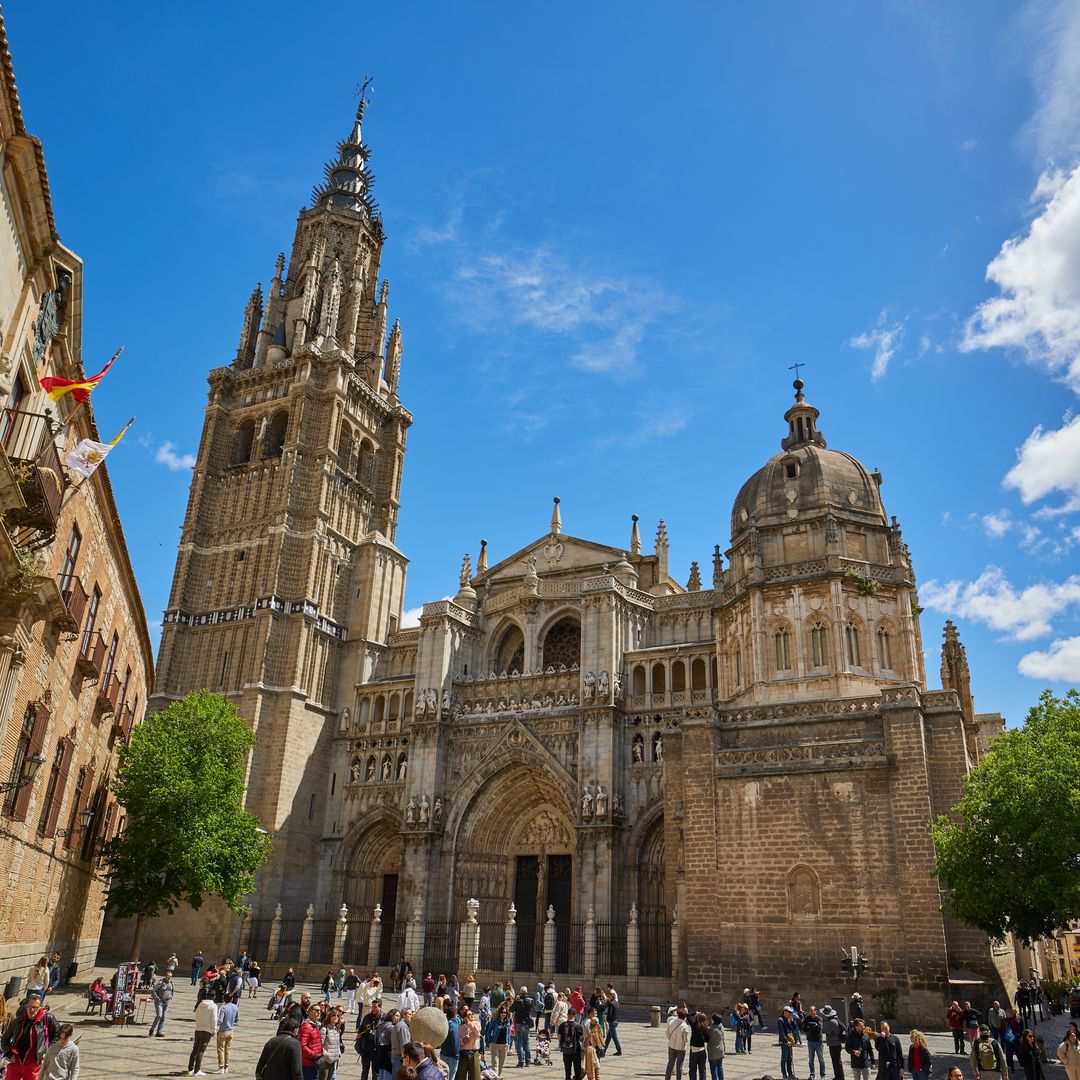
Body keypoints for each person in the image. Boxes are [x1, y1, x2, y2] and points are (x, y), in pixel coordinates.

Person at [3, 991, 58, 1080]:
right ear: (26, 1007)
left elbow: (58, 1035)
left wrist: (47, 1051)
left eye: (35, 1007)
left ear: (40, 1008)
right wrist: (9, 1054)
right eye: (30, 1007)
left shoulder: (48, 1019)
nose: (32, 1010)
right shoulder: (17, 1022)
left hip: (33, 1064)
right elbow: (4, 1039)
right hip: (15, 1062)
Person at [190, 988, 218, 1076]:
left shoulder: (200, 1004)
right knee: (201, 1050)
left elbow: (197, 1016)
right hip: (207, 1030)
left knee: (195, 1049)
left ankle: (190, 1068)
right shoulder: (213, 1006)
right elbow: (214, 1019)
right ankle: (197, 1070)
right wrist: (214, 1030)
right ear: (214, 997)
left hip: (198, 1028)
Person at [357, 1000, 383, 1080]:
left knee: (375, 1072)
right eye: (372, 1006)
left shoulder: (384, 1018)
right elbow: (361, 1029)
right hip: (366, 1049)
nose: (373, 1009)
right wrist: (360, 1034)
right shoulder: (367, 1017)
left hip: (377, 1050)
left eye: (375, 1007)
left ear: (380, 1007)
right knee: (365, 1071)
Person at [300, 1003, 325, 1080]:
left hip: (315, 1062)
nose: (319, 1012)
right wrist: (314, 1055)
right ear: (309, 1012)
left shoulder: (315, 1025)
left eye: (320, 1011)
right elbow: (302, 1046)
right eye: (316, 1010)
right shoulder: (306, 1026)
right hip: (308, 1064)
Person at [217, 992, 239, 1075]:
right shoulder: (235, 1007)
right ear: (232, 999)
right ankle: (226, 1067)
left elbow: (220, 1021)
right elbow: (237, 1019)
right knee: (227, 1050)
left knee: (220, 1049)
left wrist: (214, 1020)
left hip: (223, 1031)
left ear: (224, 999)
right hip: (231, 1031)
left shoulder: (223, 1008)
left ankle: (221, 1067)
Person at [821, 1005, 845, 1080]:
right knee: (837, 1061)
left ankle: (840, 1077)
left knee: (836, 1062)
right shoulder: (835, 1020)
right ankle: (838, 1076)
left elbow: (825, 1030)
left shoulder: (831, 1022)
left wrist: (824, 1022)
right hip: (836, 1043)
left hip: (834, 1044)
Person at [666, 1007, 691, 1080]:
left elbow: (667, 1033)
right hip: (680, 1048)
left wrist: (671, 1040)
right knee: (679, 1066)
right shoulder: (685, 1026)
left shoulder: (672, 1022)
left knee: (670, 1065)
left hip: (671, 1046)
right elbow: (686, 1039)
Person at [320, 1006, 345, 1080]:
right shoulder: (324, 1029)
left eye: (338, 1016)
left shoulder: (337, 1029)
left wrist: (338, 1053)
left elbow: (338, 1044)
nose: (336, 1017)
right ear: (330, 1017)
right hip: (325, 1060)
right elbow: (319, 1045)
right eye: (334, 1015)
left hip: (334, 1059)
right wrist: (326, 1055)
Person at [557, 1009, 583, 1080]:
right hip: (575, 1050)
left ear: (567, 1015)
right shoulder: (578, 1026)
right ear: (575, 1015)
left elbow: (559, 1037)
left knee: (567, 1070)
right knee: (577, 1070)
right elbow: (581, 1039)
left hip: (565, 1049)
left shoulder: (562, 1025)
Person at [458, 1006, 482, 1080]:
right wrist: (462, 1041)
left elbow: (477, 1032)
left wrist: (469, 1024)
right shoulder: (461, 1027)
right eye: (469, 1014)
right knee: (460, 1076)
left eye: (472, 1014)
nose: (472, 1015)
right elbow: (458, 1039)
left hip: (474, 1053)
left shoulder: (477, 1023)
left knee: (475, 1076)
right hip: (464, 1053)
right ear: (465, 1017)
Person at [148, 971, 174, 1037]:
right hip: (159, 1002)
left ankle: (159, 1032)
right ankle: (152, 1029)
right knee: (159, 1015)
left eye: (171, 976)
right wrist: (157, 998)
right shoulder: (161, 982)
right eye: (169, 976)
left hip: (166, 1002)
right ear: (165, 976)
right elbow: (153, 990)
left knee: (163, 1017)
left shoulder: (171, 983)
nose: (170, 978)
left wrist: (171, 996)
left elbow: (172, 990)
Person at [486, 1003, 510, 1074]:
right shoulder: (494, 1021)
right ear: (499, 1013)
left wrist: (508, 1041)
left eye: (505, 1012)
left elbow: (509, 1032)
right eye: (502, 1012)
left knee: (501, 1064)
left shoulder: (508, 1021)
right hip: (495, 1045)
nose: (503, 1014)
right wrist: (490, 1041)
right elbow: (488, 1032)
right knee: (495, 1063)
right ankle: (495, 1077)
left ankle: (498, 1076)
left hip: (504, 1045)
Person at [513, 987, 534, 1067]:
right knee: (527, 1041)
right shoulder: (530, 1000)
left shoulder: (518, 1001)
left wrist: (516, 1000)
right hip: (527, 1023)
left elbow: (511, 1009)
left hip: (519, 1022)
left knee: (519, 1042)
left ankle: (521, 1061)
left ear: (520, 992)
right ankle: (528, 1060)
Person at [805, 1005, 825, 1080]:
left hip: (818, 1042)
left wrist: (811, 1026)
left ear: (815, 1011)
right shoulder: (807, 1018)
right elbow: (804, 1027)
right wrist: (813, 1025)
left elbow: (820, 1028)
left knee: (821, 1059)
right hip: (810, 1041)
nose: (811, 1012)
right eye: (810, 1010)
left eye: (812, 1010)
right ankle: (812, 1074)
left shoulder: (819, 1018)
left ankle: (822, 1075)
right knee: (811, 1060)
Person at [778, 1006, 798, 1080]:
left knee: (790, 1058)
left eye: (791, 1012)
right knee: (784, 1059)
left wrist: (792, 1021)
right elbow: (781, 1033)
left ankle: (790, 1074)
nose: (790, 1014)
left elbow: (794, 1028)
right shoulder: (780, 1020)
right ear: (785, 1011)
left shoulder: (789, 1019)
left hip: (790, 1041)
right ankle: (784, 1074)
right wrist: (786, 1041)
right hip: (784, 1042)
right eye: (789, 1012)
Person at [707, 1013, 726, 1080]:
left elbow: (707, 1039)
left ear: (714, 1020)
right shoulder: (721, 1027)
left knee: (714, 1069)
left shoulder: (711, 1030)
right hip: (720, 1050)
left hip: (713, 1051)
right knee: (720, 1067)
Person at [602, 990, 620, 1057]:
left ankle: (619, 1050)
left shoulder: (611, 1004)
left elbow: (609, 1013)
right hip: (616, 1020)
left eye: (609, 996)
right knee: (608, 1037)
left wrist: (607, 1020)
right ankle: (604, 1050)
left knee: (614, 1038)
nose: (608, 997)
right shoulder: (616, 1003)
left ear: (612, 996)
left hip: (612, 1022)